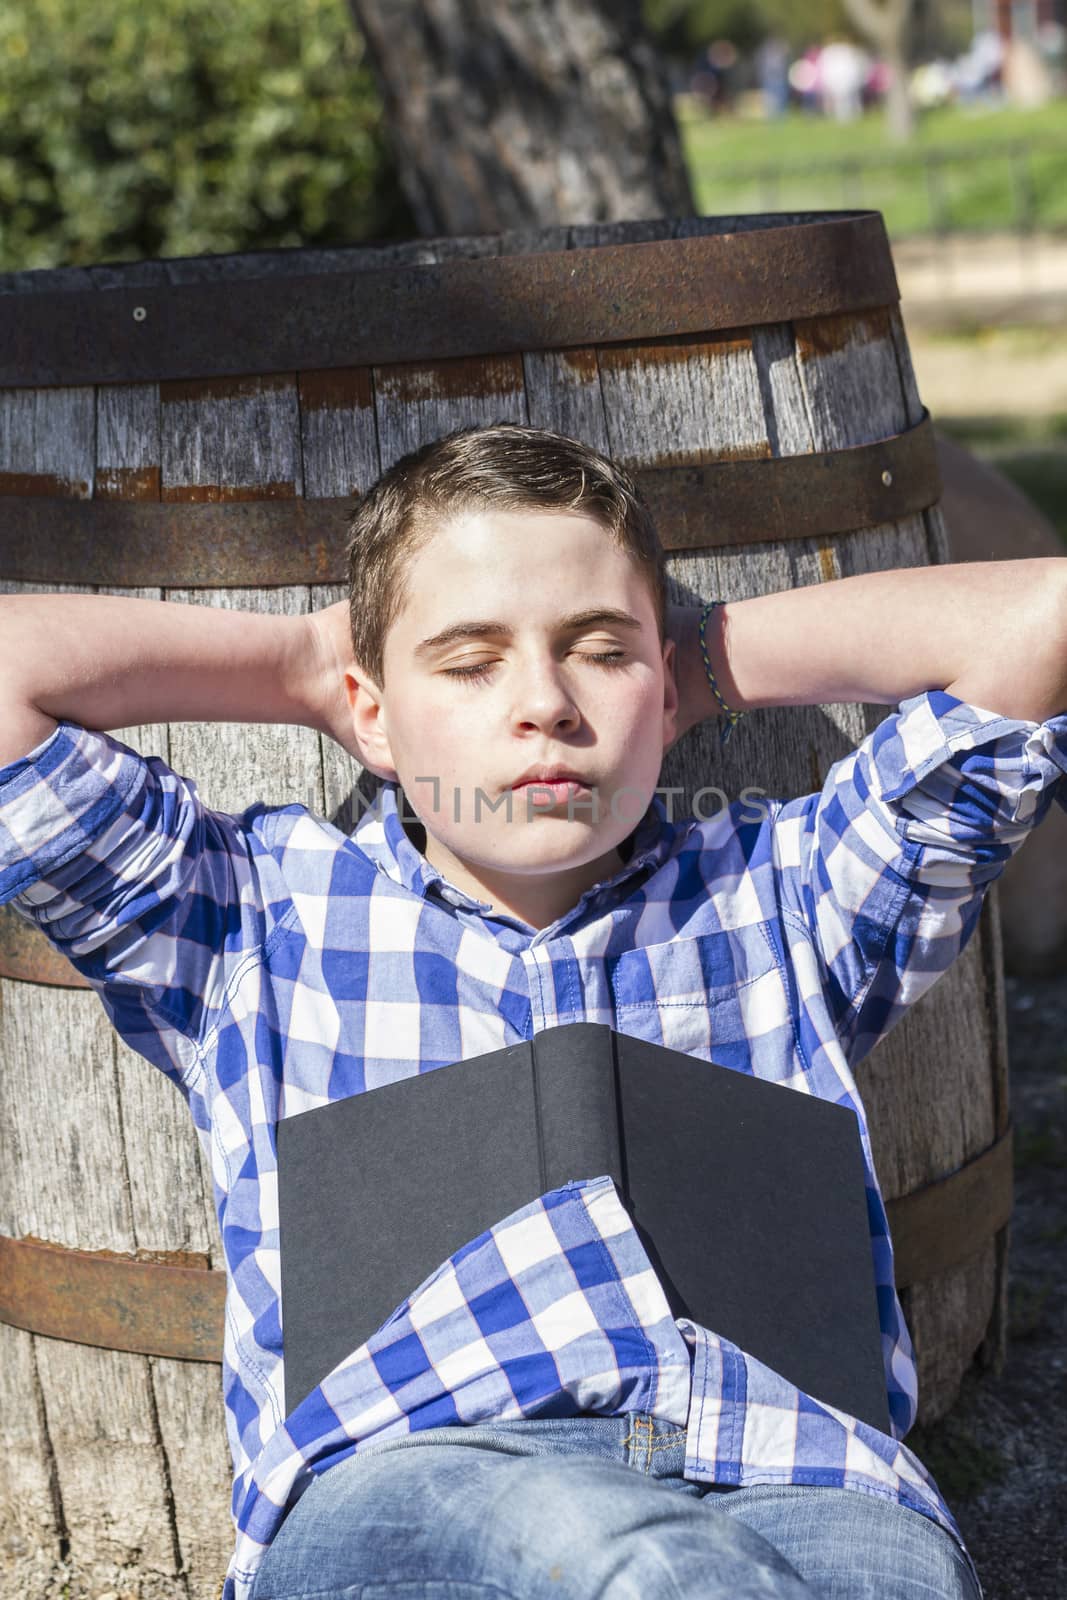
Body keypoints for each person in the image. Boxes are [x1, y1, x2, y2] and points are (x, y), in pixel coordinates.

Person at [1, 422, 1065, 1600]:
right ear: (369, 708)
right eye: (467, 663)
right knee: (636, 1563)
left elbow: (1038, 621)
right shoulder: (259, 921)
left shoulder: (781, 900)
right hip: (423, 1479)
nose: (544, 704)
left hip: (794, 1478)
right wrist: (306, 664)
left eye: (595, 653)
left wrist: (691, 662)